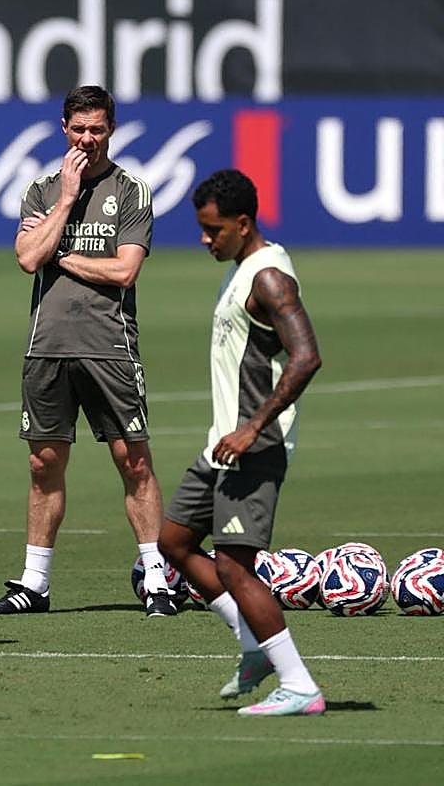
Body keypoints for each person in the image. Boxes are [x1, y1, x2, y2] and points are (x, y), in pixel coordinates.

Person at [0, 85, 176, 618]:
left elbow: (124, 270)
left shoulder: (132, 190)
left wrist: (59, 253)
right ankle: (34, 583)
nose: (87, 139)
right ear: (63, 129)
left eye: (97, 129)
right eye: (78, 129)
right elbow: (26, 259)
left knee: (133, 461)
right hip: (47, 346)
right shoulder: (44, 190)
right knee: (43, 463)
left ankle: (157, 578)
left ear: (111, 129)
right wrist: (66, 201)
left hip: (110, 344)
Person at [158, 169, 325, 716]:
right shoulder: (244, 269)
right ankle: (254, 644)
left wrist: (253, 427)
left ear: (243, 223)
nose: (205, 240)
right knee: (174, 541)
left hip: (254, 446)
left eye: (213, 230)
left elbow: (307, 357)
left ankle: (299, 685)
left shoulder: (271, 278)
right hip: (221, 446)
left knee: (234, 566)